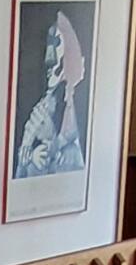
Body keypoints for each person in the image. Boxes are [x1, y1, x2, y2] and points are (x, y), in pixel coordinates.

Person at [13, 11, 88, 180]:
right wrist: (30, 156)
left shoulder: (75, 101)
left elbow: (78, 149)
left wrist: (58, 146)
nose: (50, 58)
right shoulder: (44, 104)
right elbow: (24, 151)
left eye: (57, 43)